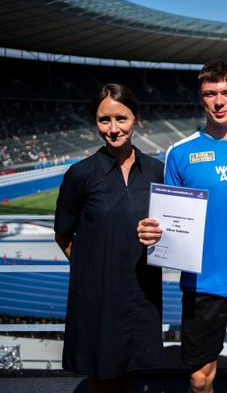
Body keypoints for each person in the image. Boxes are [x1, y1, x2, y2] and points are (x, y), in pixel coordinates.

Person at [136, 59, 227, 393]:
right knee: (199, 379)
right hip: (201, 284)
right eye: (211, 93)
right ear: (201, 98)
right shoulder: (179, 153)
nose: (219, 101)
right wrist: (154, 233)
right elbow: (169, 218)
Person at [54, 83, 164, 393]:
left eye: (121, 118)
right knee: (101, 378)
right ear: (95, 123)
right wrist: (92, 270)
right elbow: (63, 233)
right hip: (99, 296)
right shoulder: (80, 174)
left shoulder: (158, 172)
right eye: (105, 120)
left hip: (143, 292)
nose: (113, 129)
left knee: (133, 372)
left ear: (136, 119)